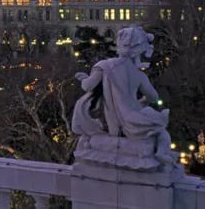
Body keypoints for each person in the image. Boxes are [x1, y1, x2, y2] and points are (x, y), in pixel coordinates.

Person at [72, 26, 175, 165]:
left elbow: (87, 86)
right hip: (136, 117)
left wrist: (84, 78)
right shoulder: (139, 75)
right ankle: (161, 153)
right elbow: (153, 97)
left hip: (119, 124)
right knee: (162, 132)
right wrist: (142, 101)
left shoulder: (104, 66)